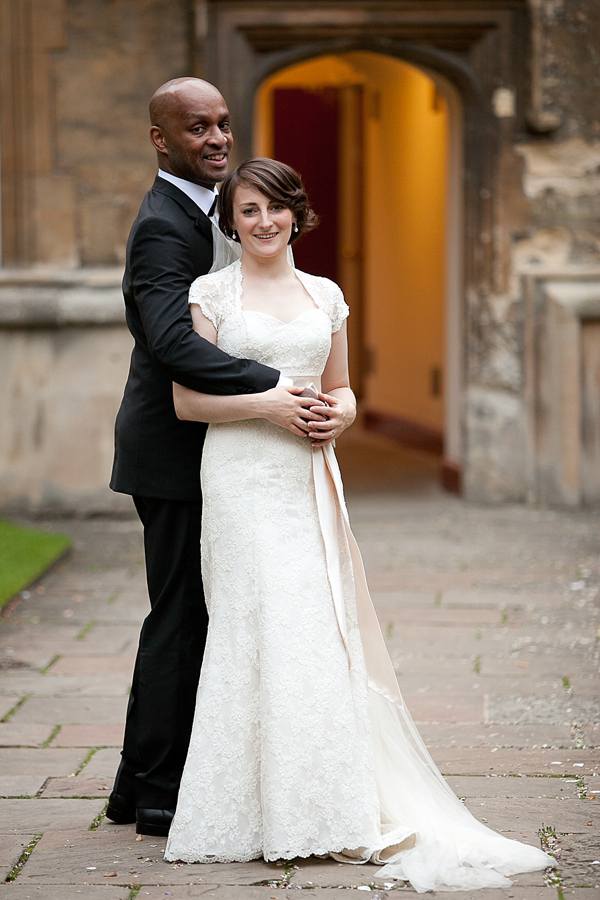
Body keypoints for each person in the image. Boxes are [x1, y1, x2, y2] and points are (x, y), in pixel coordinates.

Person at [162, 158, 554, 891]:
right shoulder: (211, 294)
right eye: (248, 210)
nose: (264, 222)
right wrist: (270, 405)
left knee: (314, 629)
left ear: (297, 213)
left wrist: (337, 414)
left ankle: (322, 806)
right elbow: (189, 401)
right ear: (232, 220)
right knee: (256, 626)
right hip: (242, 477)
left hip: (308, 476)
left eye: (276, 208)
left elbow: (342, 390)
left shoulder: (327, 295)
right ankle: (251, 813)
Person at [108, 80, 324, 836]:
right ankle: (162, 792)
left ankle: (136, 784)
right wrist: (278, 384)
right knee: (182, 616)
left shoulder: (213, 209)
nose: (217, 138)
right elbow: (172, 344)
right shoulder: (166, 225)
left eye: (224, 123)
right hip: (172, 449)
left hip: (220, 449)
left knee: (190, 613)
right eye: (197, 127)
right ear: (162, 140)